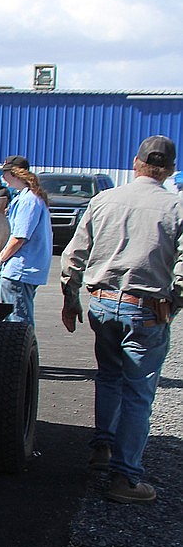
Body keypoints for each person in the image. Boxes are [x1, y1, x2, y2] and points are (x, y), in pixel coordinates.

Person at [60, 135, 183, 504]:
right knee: (138, 393)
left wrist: (70, 298)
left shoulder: (104, 200)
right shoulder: (176, 207)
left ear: (136, 163)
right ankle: (125, 478)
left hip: (102, 302)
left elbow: (74, 254)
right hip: (146, 308)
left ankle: (103, 448)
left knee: (109, 376)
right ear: (171, 169)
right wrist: (172, 306)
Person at [0, 155, 53, 327]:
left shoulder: (28, 201)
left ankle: (20, 353)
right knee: (18, 315)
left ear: (15, 174)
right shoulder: (26, 197)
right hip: (24, 268)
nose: (2, 177)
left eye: (5, 173)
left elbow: (19, 238)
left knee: (17, 321)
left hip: (19, 269)